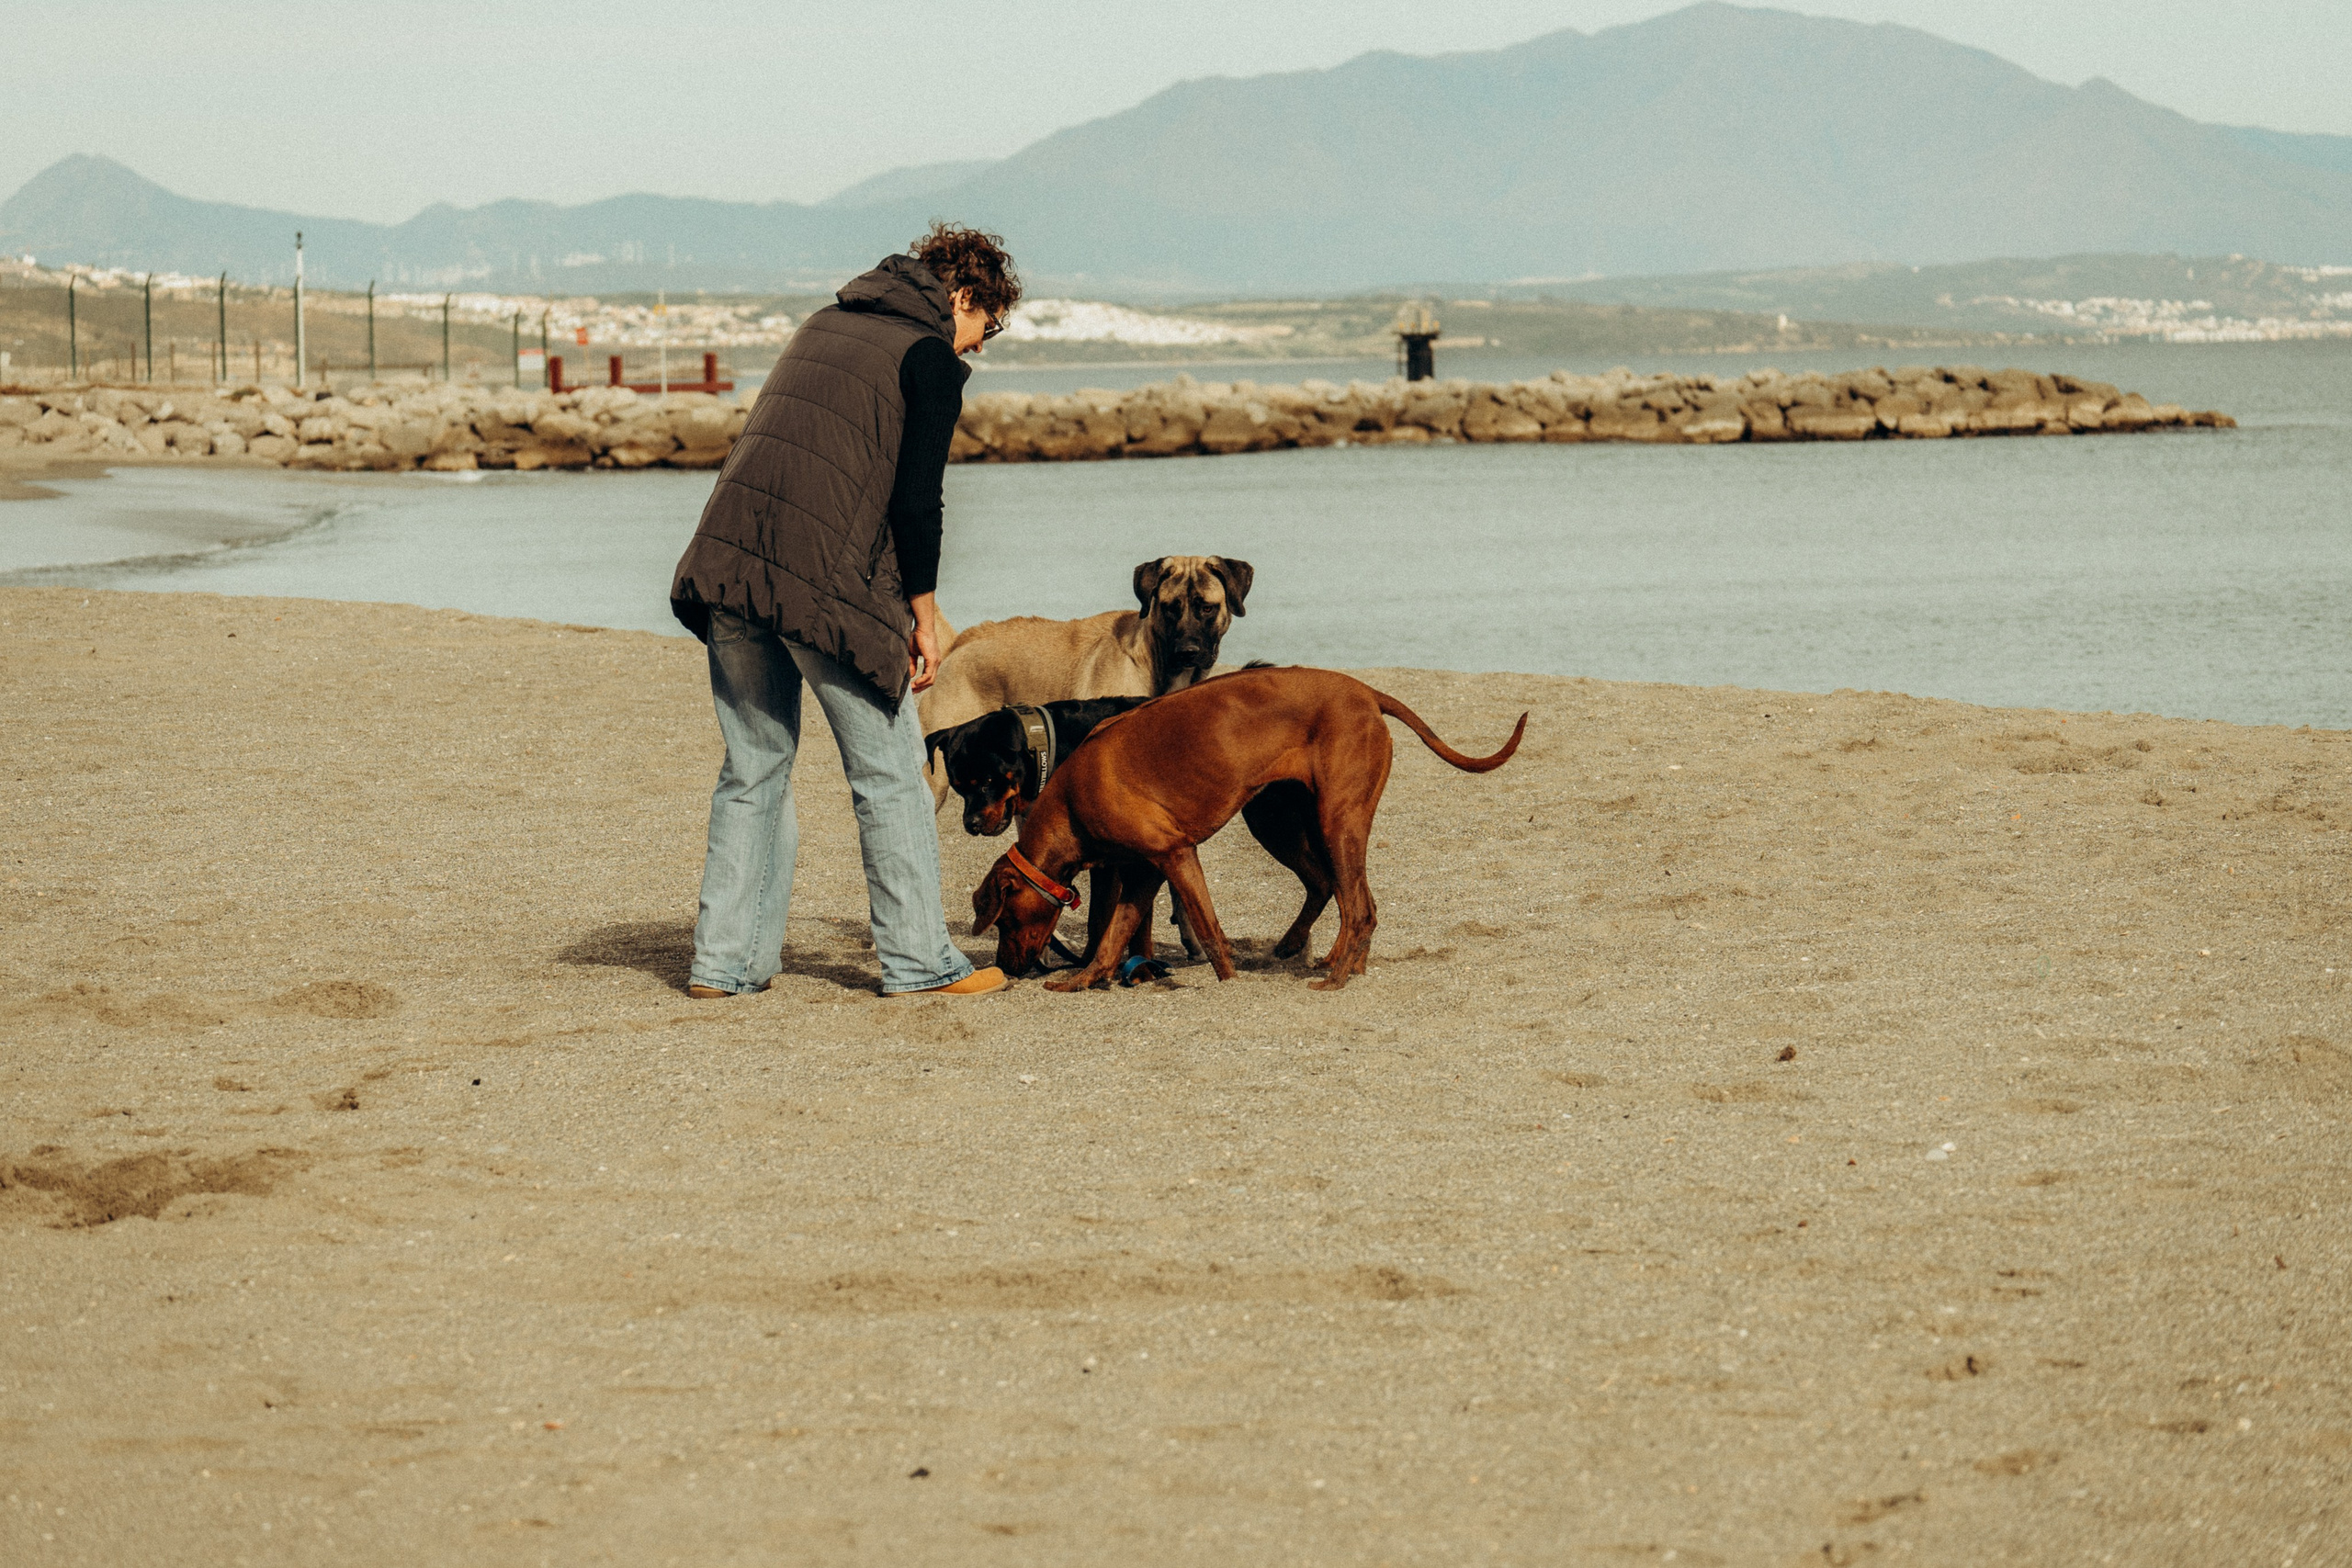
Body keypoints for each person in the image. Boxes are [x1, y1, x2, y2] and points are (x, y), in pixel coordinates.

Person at [668, 223, 1021, 998]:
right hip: (819, 585)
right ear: (962, 295)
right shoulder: (928, 357)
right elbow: (913, 500)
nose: (979, 346)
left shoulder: (824, 323)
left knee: (752, 770)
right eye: (985, 326)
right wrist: (923, 615)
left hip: (730, 563)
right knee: (891, 775)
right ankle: (920, 961)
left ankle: (722, 966)